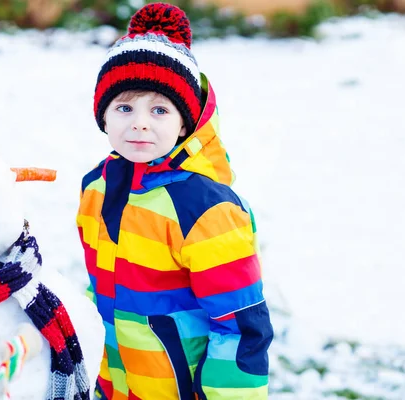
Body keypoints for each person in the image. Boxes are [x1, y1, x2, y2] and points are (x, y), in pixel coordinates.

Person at [77, 3, 273, 399]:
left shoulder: (205, 209)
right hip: (113, 381)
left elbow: (239, 325)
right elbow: (101, 283)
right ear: (104, 115)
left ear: (185, 122)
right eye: (124, 107)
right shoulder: (97, 186)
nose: (139, 122)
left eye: (160, 109)